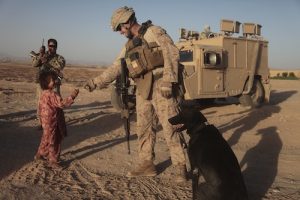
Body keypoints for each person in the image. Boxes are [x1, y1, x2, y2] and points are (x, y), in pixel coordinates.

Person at [84, 6, 187, 182]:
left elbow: (172, 52)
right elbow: (117, 66)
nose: (119, 32)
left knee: (171, 126)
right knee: (144, 128)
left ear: (128, 21)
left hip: (162, 85)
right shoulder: (129, 45)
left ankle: (180, 166)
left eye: (119, 28)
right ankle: (147, 164)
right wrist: (95, 82)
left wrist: (169, 81)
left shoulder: (154, 31)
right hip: (143, 88)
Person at [34, 70, 79, 168]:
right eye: (52, 80)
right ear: (46, 83)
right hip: (53, 121)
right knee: (54, 141)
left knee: (46, 138)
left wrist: (41, 121)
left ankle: (39, 154)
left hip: (45, 122)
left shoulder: (43, 94)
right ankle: (53, 161)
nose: (54, 81)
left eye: (54, 79)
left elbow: (40, 108)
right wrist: (72, 96)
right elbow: (62, 104)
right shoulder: (53, 94)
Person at [31, 38, 66, 123]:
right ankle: (41, 122)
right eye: (49, 46)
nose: (51, 47)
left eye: (53, 46)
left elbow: (60, 66)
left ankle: (58, 121)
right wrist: (40, 55)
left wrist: (47, 61)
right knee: (40, 102)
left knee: (57, 102)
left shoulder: (59, 58)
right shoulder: (42, 55)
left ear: (56, 47)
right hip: (41, 83)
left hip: (54, 83)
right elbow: (34, 64)